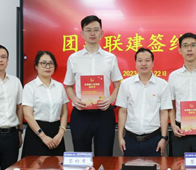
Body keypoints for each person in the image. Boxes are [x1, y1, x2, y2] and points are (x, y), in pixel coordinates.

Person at [64, 15, 122, 156]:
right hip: (81, 114)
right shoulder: (73, 58)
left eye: (96, 30)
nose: (92, 33)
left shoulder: (110, 58)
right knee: (81, 157)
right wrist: (74, 99)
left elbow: (118, 84)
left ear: (101, 33)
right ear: (82, 34)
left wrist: (111, 99)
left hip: (104, 114)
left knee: (105, 157)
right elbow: (68, 85)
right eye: (88, 30)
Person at [116, 48, 172, 157]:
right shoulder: (126, 84)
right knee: (130, 168)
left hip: (154, 140)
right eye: (140, 60)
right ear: (135, 63)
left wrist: (163, 138)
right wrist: (120, 138)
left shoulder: (163, 85)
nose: (143, 64)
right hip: (130, 140)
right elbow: (122, 111)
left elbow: (164, 113)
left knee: (154, 168)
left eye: (147, 60)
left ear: (153, 63)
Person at [22, 51, 69, 157]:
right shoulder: (30, 87)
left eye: (51, 63)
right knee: (34, 166)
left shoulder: (59, 86)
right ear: (36, 66)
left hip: (56, 133)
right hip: (36, 133)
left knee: (57, 166)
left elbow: (64, 112)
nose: (48, 66)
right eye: (43, 63)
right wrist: (43, 136)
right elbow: (28, 115)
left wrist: (60, 133)